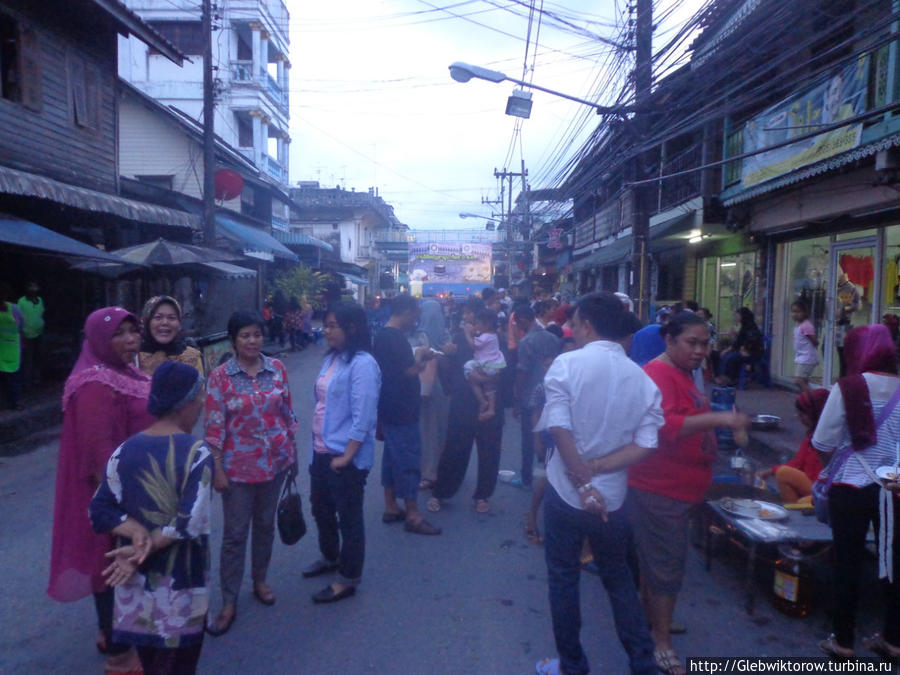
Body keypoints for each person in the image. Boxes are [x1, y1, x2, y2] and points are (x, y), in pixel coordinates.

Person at [534, 292, 662, 675]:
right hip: (613, 499)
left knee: (563, 580)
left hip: (565, 494)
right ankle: (642, 663)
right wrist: (599, 470)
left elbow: (558, 426)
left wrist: (583, 483)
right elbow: (647, 443)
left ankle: (573, 665)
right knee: (619, 580)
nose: (571, 328)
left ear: (587, 324)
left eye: (574, 322)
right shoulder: (641, 378)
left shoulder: (566, 365)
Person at [628, 312, 750, 675]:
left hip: (679, 488)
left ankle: (653, 622)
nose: (700, 351)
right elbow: (664, 427)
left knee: (657, 564)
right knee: (666, 567)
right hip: (659, 488)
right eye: (691, 343)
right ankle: (662, 642)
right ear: (669, 340)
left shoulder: (680, 372)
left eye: (705, 343)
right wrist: (721, 419)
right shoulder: (657, 374)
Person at [48, 306, 153, 672]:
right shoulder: (94, 383)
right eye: (119, 334)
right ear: (98, 340)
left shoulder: (122, 372)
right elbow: (99, 460)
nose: (130, 340)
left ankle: (114, 636)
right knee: (117, 567)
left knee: (122, 569)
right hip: (119, 497)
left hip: (138, 487)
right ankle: (120, 658)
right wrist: (126, 511)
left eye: (133, 331)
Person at [89, 361, 211, 674]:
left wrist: (132, 531)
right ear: (185, 403)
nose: (201, 405)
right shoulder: (196, 451)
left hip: (134, 594)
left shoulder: (124, 450)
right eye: (199, 398)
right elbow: (190, 521)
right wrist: (147, 544)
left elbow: (98, 510)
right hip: (180, 590)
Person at [204, 310, 298, 636]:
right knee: (234, 535)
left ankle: (260, 580)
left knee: (264, 525)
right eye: (245, 335)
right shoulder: (220, 378)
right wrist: (217, 470)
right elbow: (214, 429)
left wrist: (293, 455)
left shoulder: (277, 369)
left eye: (257, 334)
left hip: (275, 463)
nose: (253, 340)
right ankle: (228, 600)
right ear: (233, 340)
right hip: (237, 471)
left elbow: (287, 414)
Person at [813, 324, 900, 660]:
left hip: (850, 486)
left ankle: (843, 641)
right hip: (893, 490)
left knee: (846, 563)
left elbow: (822, 441)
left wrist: (833, 464)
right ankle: (893, 639)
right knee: (894, 561)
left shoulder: (848, 387)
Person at [303, 302, 381, 604]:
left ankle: (347, 578)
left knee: (348, 518)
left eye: (333, 325)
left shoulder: (363, 364)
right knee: (320, 509)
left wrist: (347, 456)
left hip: (345, 457)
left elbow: (363, 418)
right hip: (321, 451)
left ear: (351, 328)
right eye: (327, 324)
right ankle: (330, 557)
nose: (326, 330)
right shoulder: (333, 358)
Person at [428, 298, 504, 515]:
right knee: (454, 449)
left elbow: (502, 371)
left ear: (481, 319)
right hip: (463, 401)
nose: (466, 318)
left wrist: (482, 380)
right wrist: (446, 355)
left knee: (489, 451)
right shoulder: (460, 338)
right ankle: (441, 492)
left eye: (470, 314)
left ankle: (483, 495)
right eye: (465, 314)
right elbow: (449, 369)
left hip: (489, 402)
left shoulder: (497, 340)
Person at [373, 294, 441, 535]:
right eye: (415, 315)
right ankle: (412, 514)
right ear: (408, 312)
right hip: (402, 408)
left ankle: (391, 505)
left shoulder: (382, 335)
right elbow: (409, 372)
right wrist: (423, 358)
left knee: (391, 457)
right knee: (409, 459)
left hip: (389, 406)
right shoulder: (396, 339)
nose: (416, 320)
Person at [514, 304, 561, 489]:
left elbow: (522, 373)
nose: (517, 327)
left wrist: (516, 399)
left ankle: (526, 479)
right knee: (550, 438)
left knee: (528, 439)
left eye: (518, 323)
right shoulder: (552, 338)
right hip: (552, 394)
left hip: (530, 397)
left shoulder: (526, 342)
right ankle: (549, 477)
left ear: (523, 320)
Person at [757, 388, 828, 503]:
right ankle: (793, 510)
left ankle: (794, 512)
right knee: (783, 474)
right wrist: (770, 471)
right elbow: (797, 463)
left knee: (784, 474)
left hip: (825, 492)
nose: (798, 417)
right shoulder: (811, 434)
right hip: (812, 486)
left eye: (802, 414)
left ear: (816, 413)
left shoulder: (830, 438)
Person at [414, 299, 453, 490]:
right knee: (440, 430)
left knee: (427, 431)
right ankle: (441, 469)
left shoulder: (422, 334)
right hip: (445, 389)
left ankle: (428, 473)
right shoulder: (447, 334)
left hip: (428, 387)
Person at [138, 296, 204, 376]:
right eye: (158, 317)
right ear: (147, 322)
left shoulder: (191, 356)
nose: (165, 322)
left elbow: (198, 387)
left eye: (171, 318)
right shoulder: (135, 357)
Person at [463, 308, 506, 421]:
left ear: (486, 324)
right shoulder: (492, 335)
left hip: (486, 365)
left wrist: (467, 333)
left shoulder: (485, 337)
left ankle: (482, 401)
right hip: (494, 366)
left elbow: (473, 345)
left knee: (468, 367)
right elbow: (477, 334)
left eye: (478, 323)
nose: (476, 325)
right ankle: (491, 409)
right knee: (490, 387)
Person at [718, 307, 764, 385]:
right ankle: (725, 377)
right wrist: (729, 349)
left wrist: (746, 350)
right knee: (727, 355)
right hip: (746, 351)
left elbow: (752, 341)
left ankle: (730, 378)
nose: (736, 317)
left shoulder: (750, 326)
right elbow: (738, 342)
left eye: (737, 315)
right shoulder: (745, 326)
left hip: (752, 353)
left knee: (731, 357)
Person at [0, 283, 24, 410]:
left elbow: (21, 326)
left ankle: (15, 402)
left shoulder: (14, 309)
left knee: (13, 378)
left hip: (13, 349)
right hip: (2, 349)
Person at [17, 281, 45, 386]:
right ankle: (27, 381)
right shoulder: (21, 301)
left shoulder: (40, 300)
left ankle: (37, 379)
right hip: (26, 334)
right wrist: (21, 334)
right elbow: (19, 318)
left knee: (39, 356)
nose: (33, 289)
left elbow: (41, 313)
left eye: (35, 286)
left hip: (39, 333)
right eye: (31, 286)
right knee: (28, 358)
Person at [790, 301, 818, 392]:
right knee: (804, 381)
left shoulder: (806, 325)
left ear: (805, 313)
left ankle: (811, 397)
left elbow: (814, 341)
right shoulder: (798, 325)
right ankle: (807, 398)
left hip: (807, 357)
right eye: (793, 312)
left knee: (798, 380)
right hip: (801, 356)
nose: (795, 314)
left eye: (798, 312)